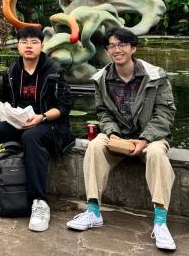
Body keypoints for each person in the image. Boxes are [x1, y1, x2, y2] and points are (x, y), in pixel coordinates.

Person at [66, 27, 177, 251]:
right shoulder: (101, 78)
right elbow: (103, 112)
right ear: (107, 50)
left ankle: (160, 221)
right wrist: (112, 133)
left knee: (157, 153)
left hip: (151, 138)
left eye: (122, 44)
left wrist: (145, 139)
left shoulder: (156, 76)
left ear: (133, 48)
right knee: (95, 145)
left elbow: (165, 114)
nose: (117, 50)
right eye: (112, 45)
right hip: (119, 137)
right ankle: (93, 211)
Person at [0, 26, 75, 232]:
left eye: (34, 42)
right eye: (24, 42)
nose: (29, 46)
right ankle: (6, 185)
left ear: (42, 45)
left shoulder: (54, 71)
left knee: (31, 137)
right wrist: (8, 113)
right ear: (18, 46)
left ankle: (39, 201)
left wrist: (42, 117)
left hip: (50, 123)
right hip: (21, 121)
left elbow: (64, 107)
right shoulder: (12, 72)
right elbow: (5, 101)